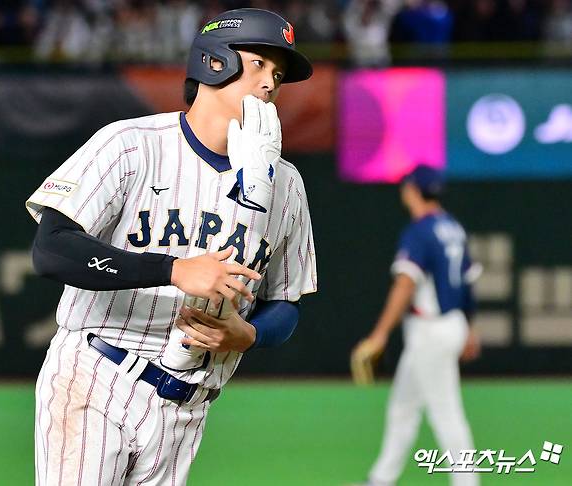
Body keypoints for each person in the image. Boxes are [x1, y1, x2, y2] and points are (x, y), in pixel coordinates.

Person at [25, 7, 317, 486]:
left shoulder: (287, 185)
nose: (270, 83)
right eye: (259, 64)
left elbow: (285, 302)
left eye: (279, 74)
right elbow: (53, 249)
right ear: (214, 62)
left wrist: (250, 335)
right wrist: (172, 269)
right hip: (97, 377)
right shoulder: (131, 144)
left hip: (187, 407)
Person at [352, 165, 481, 486]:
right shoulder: (452, 226)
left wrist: (380, 334)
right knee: (403, 406)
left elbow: (406, 284)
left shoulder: (420, 231)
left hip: (431, 331)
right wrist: (469, 327)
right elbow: (467, 282)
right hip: (450, 323)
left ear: (412, 190)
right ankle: (381, 479)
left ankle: (468, 482)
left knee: (446, 413)